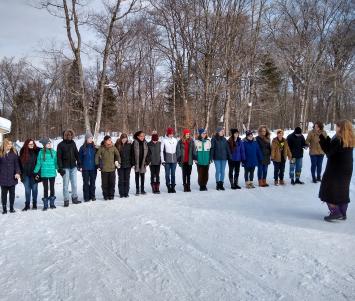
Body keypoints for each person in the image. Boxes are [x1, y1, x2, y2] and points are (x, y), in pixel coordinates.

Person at [318, 120, 354, 222]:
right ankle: (343, 213)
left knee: (328, 190)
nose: (335, 127)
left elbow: (329, 152)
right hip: (346, 168)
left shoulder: (338, 139)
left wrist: (321, 138)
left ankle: (335, 212)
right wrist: (327, 139)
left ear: (341, 128)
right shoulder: (349, 138)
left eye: (337, 126)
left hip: (336, 168)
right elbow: (334, 149)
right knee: (342, 190)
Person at [57, 129, 81, 207]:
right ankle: (66, 200)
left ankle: (74, 198)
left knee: (74, 184)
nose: (69, 136)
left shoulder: (73, 143)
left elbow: (76, 153)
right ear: (64, 136)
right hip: (65, 167)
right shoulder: (60, 145)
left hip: (73, 167)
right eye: (67, 135)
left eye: (70, 135)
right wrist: (60, 168)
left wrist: (79, 162)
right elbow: (59, 158)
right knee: (65, 185)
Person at [34, 138, 58, 211]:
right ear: (44, 145)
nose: (50, 144)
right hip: (44, 174)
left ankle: (52, 203)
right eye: (48, 143)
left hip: (52, 173)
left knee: (52, 188)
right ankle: (45, 205)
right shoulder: (41, 153)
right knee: (45, 189)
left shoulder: (54, 152)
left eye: (50, 143)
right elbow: (39, 163)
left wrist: (59, 168)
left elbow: (56, 162)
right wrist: (35, 171)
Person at [95, 135, 120, 200]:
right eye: (108, 140)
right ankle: (105, 195)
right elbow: (97, 156)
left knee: (112, 183)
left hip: (112, 169)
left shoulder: (113, 147)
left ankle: (111, 195)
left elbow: (118, 155)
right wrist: (97, 165)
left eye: (110, 140)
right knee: (104, 184)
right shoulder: (102, 148)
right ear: (105, 141)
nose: (110, 141)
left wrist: (118, 162)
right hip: (104, 169)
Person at [0, 139, 21, 214]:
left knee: (12, 194)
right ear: (5, 144)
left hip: (12, 177)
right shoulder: (1, 153)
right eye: (9, 144)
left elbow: (17, 165)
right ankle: (4, 209)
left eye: (11, 144)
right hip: (3, 178)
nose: (10, 145)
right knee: (3, 195)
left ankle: (11, 208)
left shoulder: (14, 153)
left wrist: (18, 173)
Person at [19, 139, 40, 210]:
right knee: (27, 190)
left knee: (34, 189)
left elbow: (39, 163)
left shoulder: (37, 151)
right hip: (25, 174)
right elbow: (20, 164)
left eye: (32, 144)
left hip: (34, 174)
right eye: (30, 144)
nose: (31, 145)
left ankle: (34, 204)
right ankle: (27, 204)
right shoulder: (22, 151)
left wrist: (38, 173)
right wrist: (21, 174)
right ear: (26, 145)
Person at [79, 133, 97, 202]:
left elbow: (98, 157)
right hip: (85, 168)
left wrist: (98, 165)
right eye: (89, 138)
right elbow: (79, 158)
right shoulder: (82, 148)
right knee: (86, 183)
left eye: (91, 138)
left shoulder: (95, 147)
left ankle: (92, 196)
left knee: (93, 183)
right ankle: (86, 197)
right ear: (86, 139)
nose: (91, 139)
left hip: (93, 168)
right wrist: (80, 166)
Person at [115, 133, 133, 198]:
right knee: (121, 179)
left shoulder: (129, 145)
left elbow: (132, 154)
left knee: (127, 179)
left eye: (125, 139)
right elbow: (115, 154)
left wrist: (132, 163)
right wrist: (116, 162)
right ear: (121, 138)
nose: (124, 140)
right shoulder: (117, 145)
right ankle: (121, 193)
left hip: (128, 165)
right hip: (120, 165)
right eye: (123, 138)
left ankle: (126, 193)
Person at [161, 127, 178, 193]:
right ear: (167, 134)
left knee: (173, 174)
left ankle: (173, 186)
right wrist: (163, 160)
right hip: (167, 160)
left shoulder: (175, 140)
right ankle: (168, 186)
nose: (171, 135)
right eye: (170, 133)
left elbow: (177, 150)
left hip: (174, 160)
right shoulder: (164, 140)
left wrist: (177, 158)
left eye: (172, 133)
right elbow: (161, 151)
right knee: (167, 174)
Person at [132, 131, 149, 196]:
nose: (142, 137)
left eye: (143, 136)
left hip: (143, 162)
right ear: (137, 136)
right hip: (136, 162)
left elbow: (149, 154)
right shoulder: (134, 143)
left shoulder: (145, 143)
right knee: (137, 176)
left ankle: (142, 189)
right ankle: (137, 190)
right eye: (141, 136)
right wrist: (133, 163)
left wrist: (147, 162)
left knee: (142, 176)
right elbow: (132, 153)